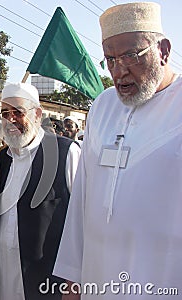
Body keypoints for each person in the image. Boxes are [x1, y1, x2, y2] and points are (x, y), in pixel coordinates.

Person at [53, 2, 182, 299]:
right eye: (109, 59)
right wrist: (72, 282)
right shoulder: (102, 106)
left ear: (163, 50)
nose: (118, 70)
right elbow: (81, 203)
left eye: (130, 55)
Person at [0, 82, 81, 300]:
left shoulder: (65, 152)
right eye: (5, 113)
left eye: (18, 112)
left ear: (37, 113)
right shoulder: (4, 159)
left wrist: (75, 283)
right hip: (3, 274)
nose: (11, 119)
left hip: (45, 280)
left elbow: (84, 220)